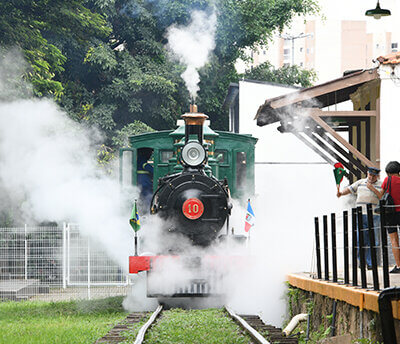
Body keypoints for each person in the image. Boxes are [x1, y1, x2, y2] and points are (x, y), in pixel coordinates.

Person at [337, 166, 382, 269]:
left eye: (374, 176)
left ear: (377, 176)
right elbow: (349, 189)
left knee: (373, 240)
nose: (371, 177)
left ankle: (371, 263)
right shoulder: (360, 182)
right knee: (360, 239)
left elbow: (382, 196)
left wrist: (373, 189)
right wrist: (341, 193)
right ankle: (361, 261)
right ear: (367, 173)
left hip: (374, 215)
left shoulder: (381, 184)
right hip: (361, 214)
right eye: (370, 175)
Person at [370, 161, 400, 273]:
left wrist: (372, 189)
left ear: (388, 172)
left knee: (394, 240)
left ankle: (398, 266)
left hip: (390, 213)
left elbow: (381, 195)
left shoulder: (388, 180)